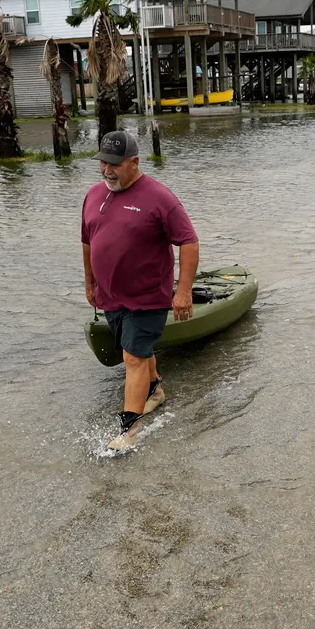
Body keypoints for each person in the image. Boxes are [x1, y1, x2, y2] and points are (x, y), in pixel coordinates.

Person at [81, 131, 199, 452]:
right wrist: (90, 282)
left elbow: (188, 240)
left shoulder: (160, 198)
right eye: (102, 163)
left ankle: (127, 431)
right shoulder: (93, 195)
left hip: (148, 296)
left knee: (132, 356)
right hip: (111, 294)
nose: (106, 171)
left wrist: (183, 291)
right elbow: (88, 241)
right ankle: (155, 391)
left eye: (114, 165)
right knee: (136, 349)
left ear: (134, 162)